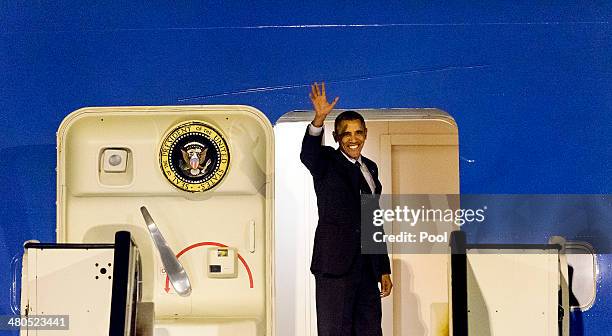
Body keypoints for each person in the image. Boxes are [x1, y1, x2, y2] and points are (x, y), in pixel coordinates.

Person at [300, 82, 393, 336]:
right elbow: (309, 154)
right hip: (335, 266)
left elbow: (374, 220)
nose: (353, 139)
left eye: (358, 133)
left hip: (366, 268)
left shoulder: (370, 167)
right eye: (346, 134)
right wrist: (319, 119)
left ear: (365, 133)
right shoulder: (327, 161)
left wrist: (383, 268)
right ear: (336, 137)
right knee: (335, 331)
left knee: (370, 329)